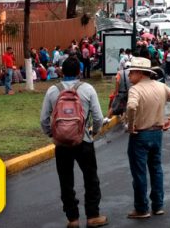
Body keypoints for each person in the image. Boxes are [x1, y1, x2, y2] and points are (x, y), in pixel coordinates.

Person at [39, 57, 107, 228]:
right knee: (91, 178)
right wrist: (94, 132)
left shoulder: (53, 91)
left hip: (61, 144)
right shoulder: (88, 89)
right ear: (79, 71)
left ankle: (73, 219)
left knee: (66, 180)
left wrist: (53, 135)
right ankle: (92, 216)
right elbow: (98, 117)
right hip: (83, 141)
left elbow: (44, 119)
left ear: (62, 71)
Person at [125, 57, 170, 219]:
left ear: (138, 72)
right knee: (156, 169)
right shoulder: (161, 86)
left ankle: (142, 208)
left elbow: (131, 106)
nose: (129, 76)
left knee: (139, 173)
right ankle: (158, 205)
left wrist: (130, 126)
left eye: (131, 72)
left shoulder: (135, 90)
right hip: (157, 133)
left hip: (140, 134)